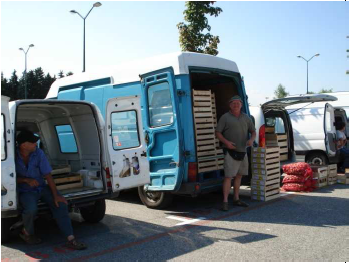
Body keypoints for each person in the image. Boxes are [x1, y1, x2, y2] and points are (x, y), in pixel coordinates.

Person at [15, 130, 87, 249]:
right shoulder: (11, 156)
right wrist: (25, 180)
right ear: (23, 145)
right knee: (31, 209)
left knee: (60, 204)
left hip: (41, 187)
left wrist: (56, 195)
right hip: (25, 190)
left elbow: (48, 175)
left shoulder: (38, 153)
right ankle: (27, 233)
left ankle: (70, 238)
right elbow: (7, 177)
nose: (35, 144)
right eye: (33, 142)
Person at [215, 96, 256, 211]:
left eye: (238, 103)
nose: (236, 105)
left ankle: (236, 199)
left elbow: (253, 132)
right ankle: (225, 201)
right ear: (230, 105)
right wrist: (227, 143)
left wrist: (251, 140)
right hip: (230, 152)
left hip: (243, 152)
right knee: (228, 177)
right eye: (233, 103)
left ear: (241, 105)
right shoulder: (225, 117)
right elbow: (218, 133)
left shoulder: (246, 118)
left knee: (239, 176)